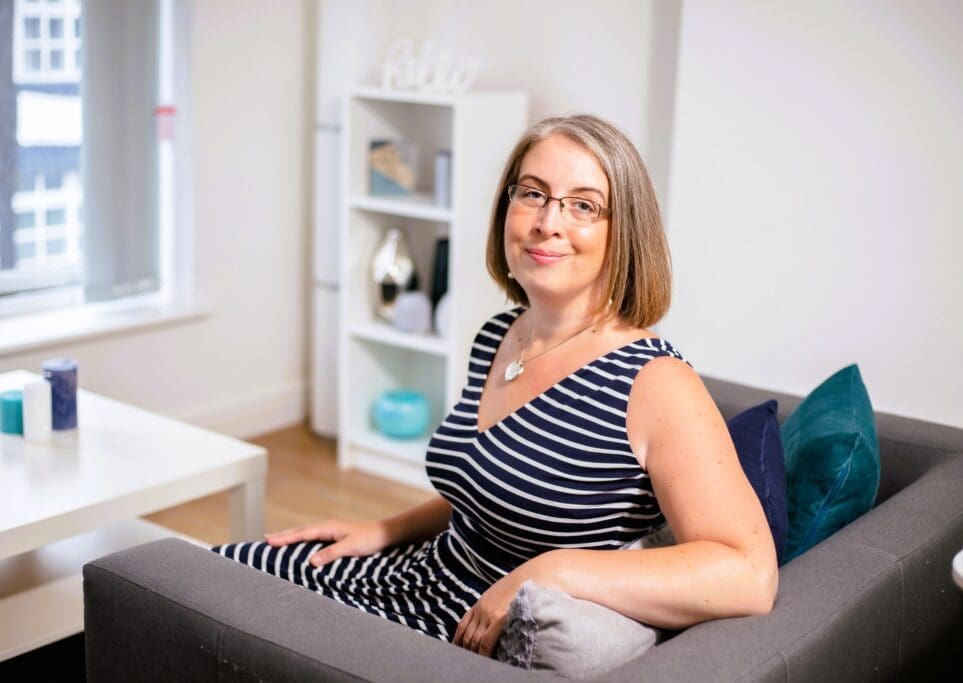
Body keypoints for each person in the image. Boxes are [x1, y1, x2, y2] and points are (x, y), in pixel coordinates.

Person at [213, 114, 777, 657]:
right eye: (531, 193)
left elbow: (748, 573)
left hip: (464, 626)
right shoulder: (501, 334)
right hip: (417, 571)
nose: (547, 222)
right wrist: (384, 529)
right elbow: (490, 486)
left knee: (230, 623)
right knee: (208, 575)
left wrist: (550, 570)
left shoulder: (656, 383)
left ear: (624, 231)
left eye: (583, 205)